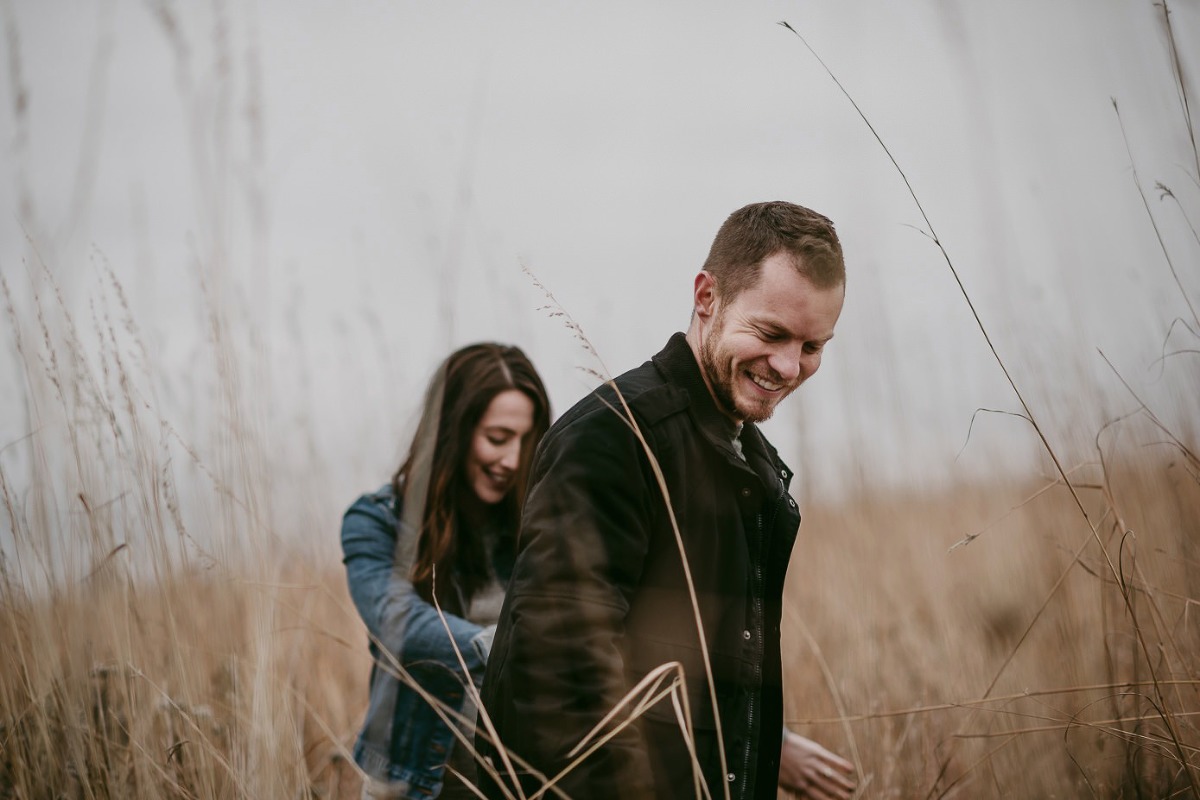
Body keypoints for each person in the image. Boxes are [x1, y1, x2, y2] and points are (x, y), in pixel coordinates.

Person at [476, 202, 857, 800]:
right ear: (707, 297)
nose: (789, 366)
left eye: (813, 345)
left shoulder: (748, 464)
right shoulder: (612, 438)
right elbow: (559, 687)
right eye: (770, 333)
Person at [341, 343, 551, 800]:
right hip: (411, 781)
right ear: (453, 432)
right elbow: (397, 620)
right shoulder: (378, 522)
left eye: (525, 439)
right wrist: (507, 649)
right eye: (497, 438)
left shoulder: (537, 528)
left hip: (515, 781)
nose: (513, 460)